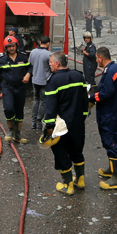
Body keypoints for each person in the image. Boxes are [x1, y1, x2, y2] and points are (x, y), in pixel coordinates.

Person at [40, 51, 87, 194]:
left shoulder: (53, 81)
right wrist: (82, 117)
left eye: (51, 62)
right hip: (78, 123)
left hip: (62, 127)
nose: (49, 64)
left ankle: (68, 185)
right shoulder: (79, 76)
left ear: (58, 63)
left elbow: (51, 108)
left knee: (61, 154)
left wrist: (49, 127)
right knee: (77, 151)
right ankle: (80, 180)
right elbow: (85, 100)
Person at [91, 46, 117, 190]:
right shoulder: (114, 68)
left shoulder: (111, 70)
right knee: (113, 140)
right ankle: (112, 169)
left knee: (111, 142)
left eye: (96, 58)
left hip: (110, 113)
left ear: (100, 58)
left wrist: (90, 97)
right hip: (114, 111)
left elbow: (105, 93)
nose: (96, 61)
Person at [0, 36, 31, 144]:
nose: (11, 48)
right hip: (7, 87)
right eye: (9, 47)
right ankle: (11, 130)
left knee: (19, 111)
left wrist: (28, 75)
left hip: (20, 87)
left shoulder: (23, 57)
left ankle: (17, 134)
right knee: (8, 109)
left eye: (13, 46)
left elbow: (30, 67)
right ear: (6, 48)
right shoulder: (2, 60)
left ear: (16, 46)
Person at [28, 36, 51, 131]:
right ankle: (39, 122)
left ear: (40, 42)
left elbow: (30, 64)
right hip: (44, 81)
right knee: (43, 101)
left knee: (36, 100)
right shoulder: (49, 54)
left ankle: (33, 122)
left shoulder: (33, 52)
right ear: (48, 44)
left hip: (35, 80)